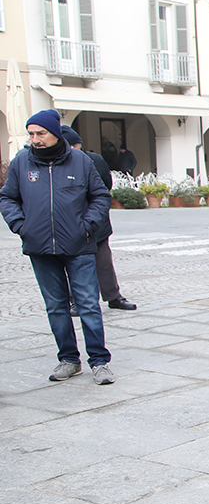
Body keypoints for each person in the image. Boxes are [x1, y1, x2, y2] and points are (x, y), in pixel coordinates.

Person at [0, 110, 114, 384]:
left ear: (55, 133)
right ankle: (69, 360)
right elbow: (7, 198)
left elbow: (100, 195)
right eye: (31, 134)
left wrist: (88, 225)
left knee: (87, 304)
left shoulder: (80, 161)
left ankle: (99, 361)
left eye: (40, 133)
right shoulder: (20, 163)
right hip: (39, 247)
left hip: (79, 245)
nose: (35, 139)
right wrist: (20, 226)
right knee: (55, 306)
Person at [62, 127, 138, 313]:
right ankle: (74, 299)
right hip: (69, 221)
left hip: (96, 220)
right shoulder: (58, 163)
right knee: (72, 262)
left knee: (103, 260)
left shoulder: (95, 160)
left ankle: (113, 296)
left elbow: (106, 186)